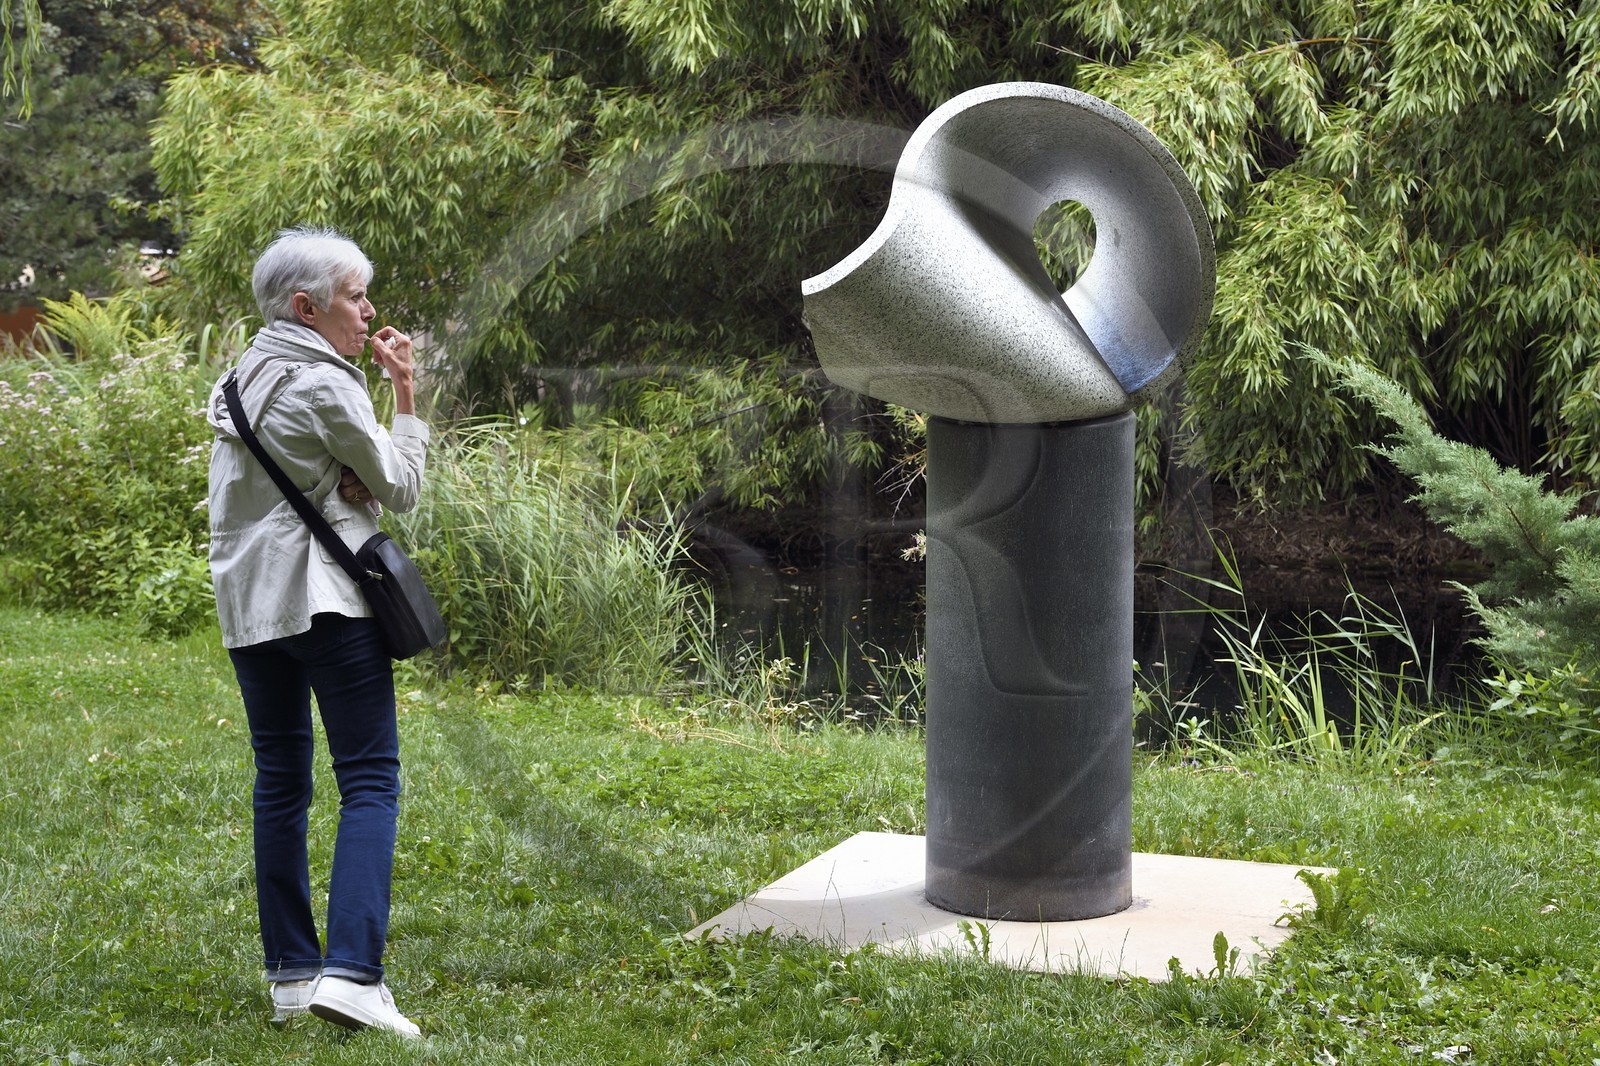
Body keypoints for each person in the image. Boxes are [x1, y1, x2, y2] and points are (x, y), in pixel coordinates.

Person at [205, 226, 429, 1038]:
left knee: (281, 781)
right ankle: (356, 976)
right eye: (356, 297)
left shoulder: (237, 381)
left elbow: (262, 499)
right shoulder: (327, 386)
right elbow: (400, 487)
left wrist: (339, 487)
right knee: (370, 778)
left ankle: (293, 977)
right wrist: (404, 391)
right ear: (308, 307)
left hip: (248, 609)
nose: (369, 311)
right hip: (327, 602)